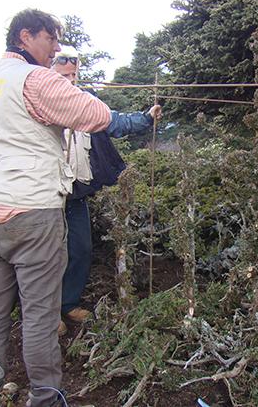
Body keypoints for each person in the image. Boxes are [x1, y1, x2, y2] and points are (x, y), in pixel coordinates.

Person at [0, 8, 139, 407]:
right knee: (41, 312)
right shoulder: (34, 79)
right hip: (32, 211)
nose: (57, 49)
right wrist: (127, 117)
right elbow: (94, 115)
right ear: (26, 36)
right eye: (51, 40)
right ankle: (45, 397)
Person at [51, 47, 161, 335]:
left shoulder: (84, 101)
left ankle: (68, 303)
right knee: (47, 254)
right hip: (44, 194)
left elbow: (115, 122)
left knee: (81, 248)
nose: (70, 79)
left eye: (74, 74)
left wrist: (147, 118)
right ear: (50, 72)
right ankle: (46, 314)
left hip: (74, 194)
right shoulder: (38, 101)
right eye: (64, 74)